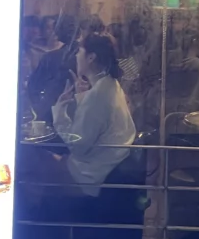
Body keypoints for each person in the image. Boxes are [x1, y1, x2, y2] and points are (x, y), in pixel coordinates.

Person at [52, 34, 136, 194]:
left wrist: (59, 112)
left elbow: (77, 146)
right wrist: (81, 95)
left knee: (36, 160)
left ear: (91, 57)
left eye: (79, 51)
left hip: (92, 173)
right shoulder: (110, 83)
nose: (76, 55)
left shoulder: (98, 94)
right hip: (110, 162)